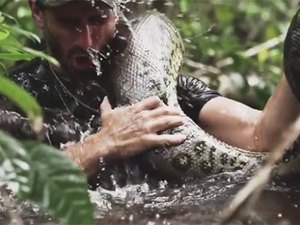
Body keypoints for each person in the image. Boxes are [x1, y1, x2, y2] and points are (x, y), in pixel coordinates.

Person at [1, 0, 300, 188]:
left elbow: (265, 136)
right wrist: (102, 144)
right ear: (37, 12)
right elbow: (11, 190)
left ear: (116, 13)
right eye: (70, 23)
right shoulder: (16, 94)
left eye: (97, 19)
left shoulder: (161, 86)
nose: (86, 40)